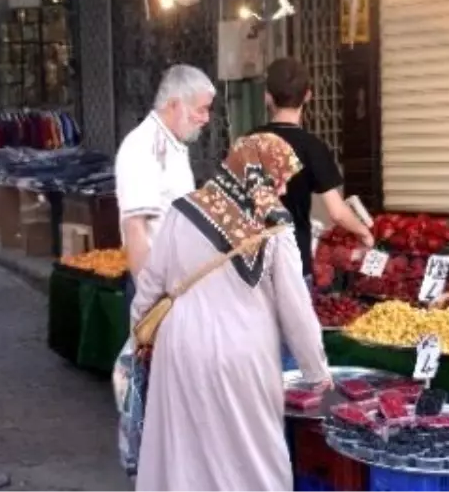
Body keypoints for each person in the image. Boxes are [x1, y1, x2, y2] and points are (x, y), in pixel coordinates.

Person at [131, 132, 331, 492]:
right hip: (243, 356)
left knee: (185, 454)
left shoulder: (182, 210)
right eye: (279, 180)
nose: (282, 191)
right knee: (252, 455)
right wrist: (317, 371)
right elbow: (296, 310)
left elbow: (150, 284)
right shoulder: (275, 228)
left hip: (180, 350)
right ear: (259, 177)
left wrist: (139, 333)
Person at [251, 58, 374, 284]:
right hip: (293, 261)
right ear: (308, 95)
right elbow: (336, 212)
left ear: (267, 96)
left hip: (251, 263)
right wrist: (364, 233)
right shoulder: (312, 147)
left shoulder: (247, 142)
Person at [115, 64, 216, 314]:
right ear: (174, 105)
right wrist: (151, 302)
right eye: (200, 109)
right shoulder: (143, 147)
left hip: (177, 286)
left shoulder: (173, 144)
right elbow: (135, 228)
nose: (206, 118)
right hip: (159, 291)